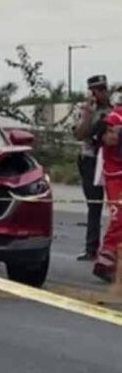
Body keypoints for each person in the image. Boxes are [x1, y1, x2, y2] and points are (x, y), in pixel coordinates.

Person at [73, 75, 113, 261]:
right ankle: (91, 248)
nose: (101, 93)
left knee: (115, 205)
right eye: (97, 90)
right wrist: (89, 113)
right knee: (94, 205)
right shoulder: (85, 111)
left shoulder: (113, 111)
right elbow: (80, 134)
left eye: (103, 89)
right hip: (90, 160)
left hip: (109, 160)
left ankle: (111, 247)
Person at [92, 86, 122, 282]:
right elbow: (107, 131)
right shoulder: (114, 117)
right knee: (119, 217)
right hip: (114, 176)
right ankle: (105, 257)